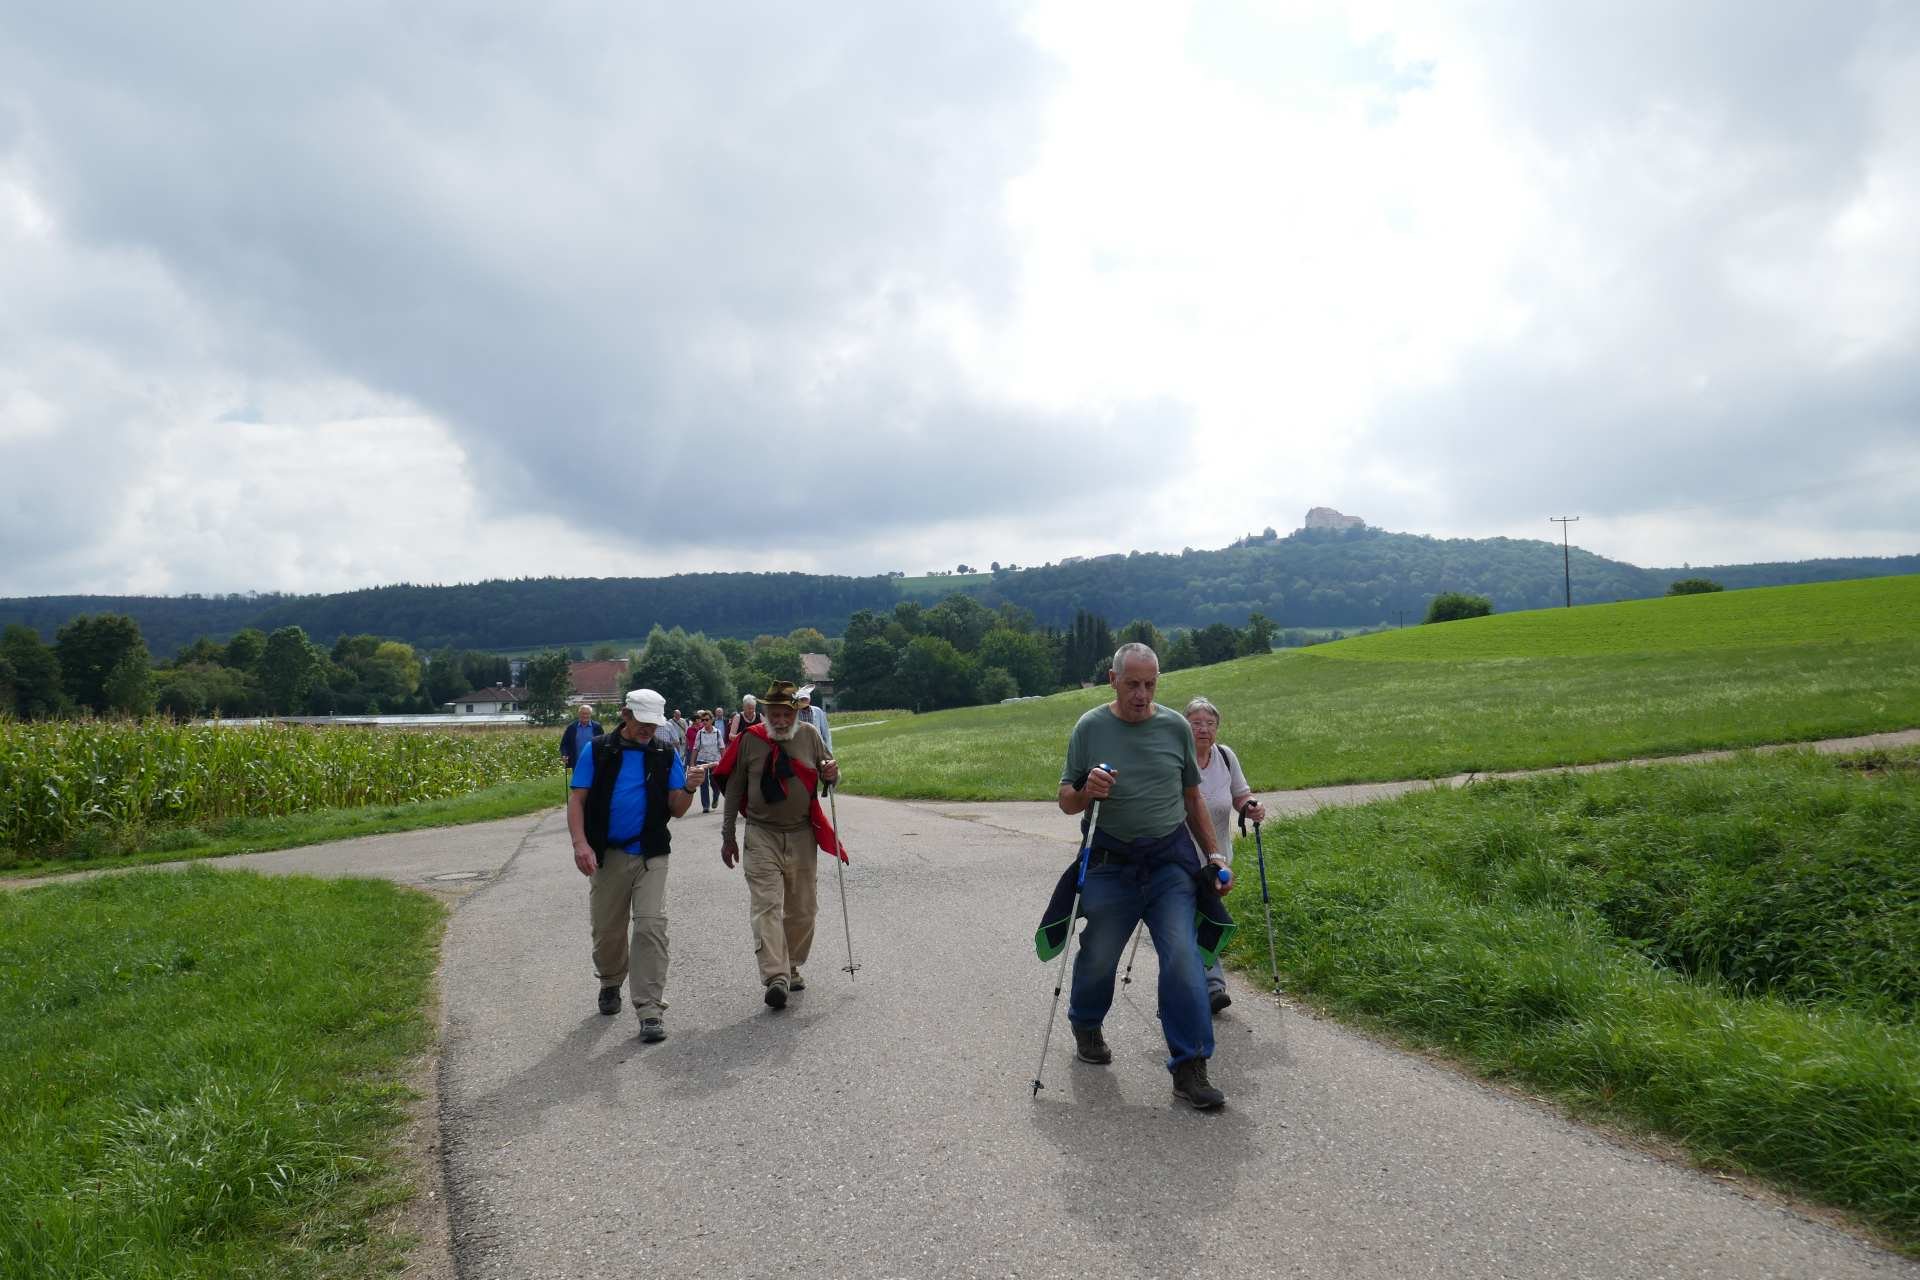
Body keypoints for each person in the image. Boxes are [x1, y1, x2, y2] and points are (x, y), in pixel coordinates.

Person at [1056, 642, 1228, 1110]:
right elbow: (1065, 799)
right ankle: (1086, 1021)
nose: (1142, 694)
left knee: (1182, 957)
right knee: (1099, 955)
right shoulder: (1090, 727)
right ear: (1113, 680)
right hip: (1113, 862)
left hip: (1170, 862)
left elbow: (1192, 797)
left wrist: (1212, 853)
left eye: (1150, 684)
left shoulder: (1174, 727)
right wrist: (1087, 790)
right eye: (1132, 684)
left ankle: (1190, 1065)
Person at [566, 688, 705, 1043]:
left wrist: (688, 788)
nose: (647, 730)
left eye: (653, 724)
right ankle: (610, 980)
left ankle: (650, 1009)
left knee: (650, 926)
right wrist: (580, 844)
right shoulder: (598, 750)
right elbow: (577, 800)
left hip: (651, 852)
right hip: (607, 854)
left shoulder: (663, 753)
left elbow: (676, 808)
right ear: (626, 715)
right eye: (642, 722)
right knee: (608, 931)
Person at [716, 680, 843, 1010]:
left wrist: (832, 774)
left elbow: (830, 774)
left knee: (803, 909)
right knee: (767, 905)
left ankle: (792, 964)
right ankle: (776, 977)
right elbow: (733, 789)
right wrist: (728, 835)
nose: (781, 721)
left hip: (802, 834)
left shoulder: (810, 737)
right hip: (761, 834)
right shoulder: (749, 740)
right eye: (774, 714)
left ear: (795, 713)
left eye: (786, 714)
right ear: (764, 713)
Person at [1184, 696, 1267, 1015]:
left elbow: (1240, 795)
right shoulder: (1178, 758)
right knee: (1192, 920)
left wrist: (1250, 807)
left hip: (1217, 859)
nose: (1203, 729)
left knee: (1204, 919)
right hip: (1180, 857)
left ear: (1217, 728)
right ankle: (1211, 985)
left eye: (1210, 724)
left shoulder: (1226, 757)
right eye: (1196, 723)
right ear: (1184, 727)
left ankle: (1200, 983)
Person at [687, 709, 725, 813]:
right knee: (703, 783)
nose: (704, 722)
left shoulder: (717, 732)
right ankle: (705, 806)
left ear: (711, 720)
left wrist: (724, 761)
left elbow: (721, 747)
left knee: (714, 782)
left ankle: (716, 796)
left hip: (715, 761)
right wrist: (692, 763)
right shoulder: (700, 733)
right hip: (701, 760)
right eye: (703, 720)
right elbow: (695, 748)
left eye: (707, 719)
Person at [559, 703, 603, 773]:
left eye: (587, 714)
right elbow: (564, 744)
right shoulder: (572, 727)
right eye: (583, 713)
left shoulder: (597, 727)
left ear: (590, 714)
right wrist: (564, 754)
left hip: (593, 762)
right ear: (579, 714)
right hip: (577, 763)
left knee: (593, 783)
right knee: (578, 783)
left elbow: (603, 743)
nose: (585, 716)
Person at [795, 685, 832, 753]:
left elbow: (826, 733)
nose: (804, 701)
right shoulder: (794, 713)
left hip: (817, 747)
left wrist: (829, 751)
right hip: (801, 749)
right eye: (801, 699)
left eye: (805, 699)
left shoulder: (818, 711)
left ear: (809, 699)